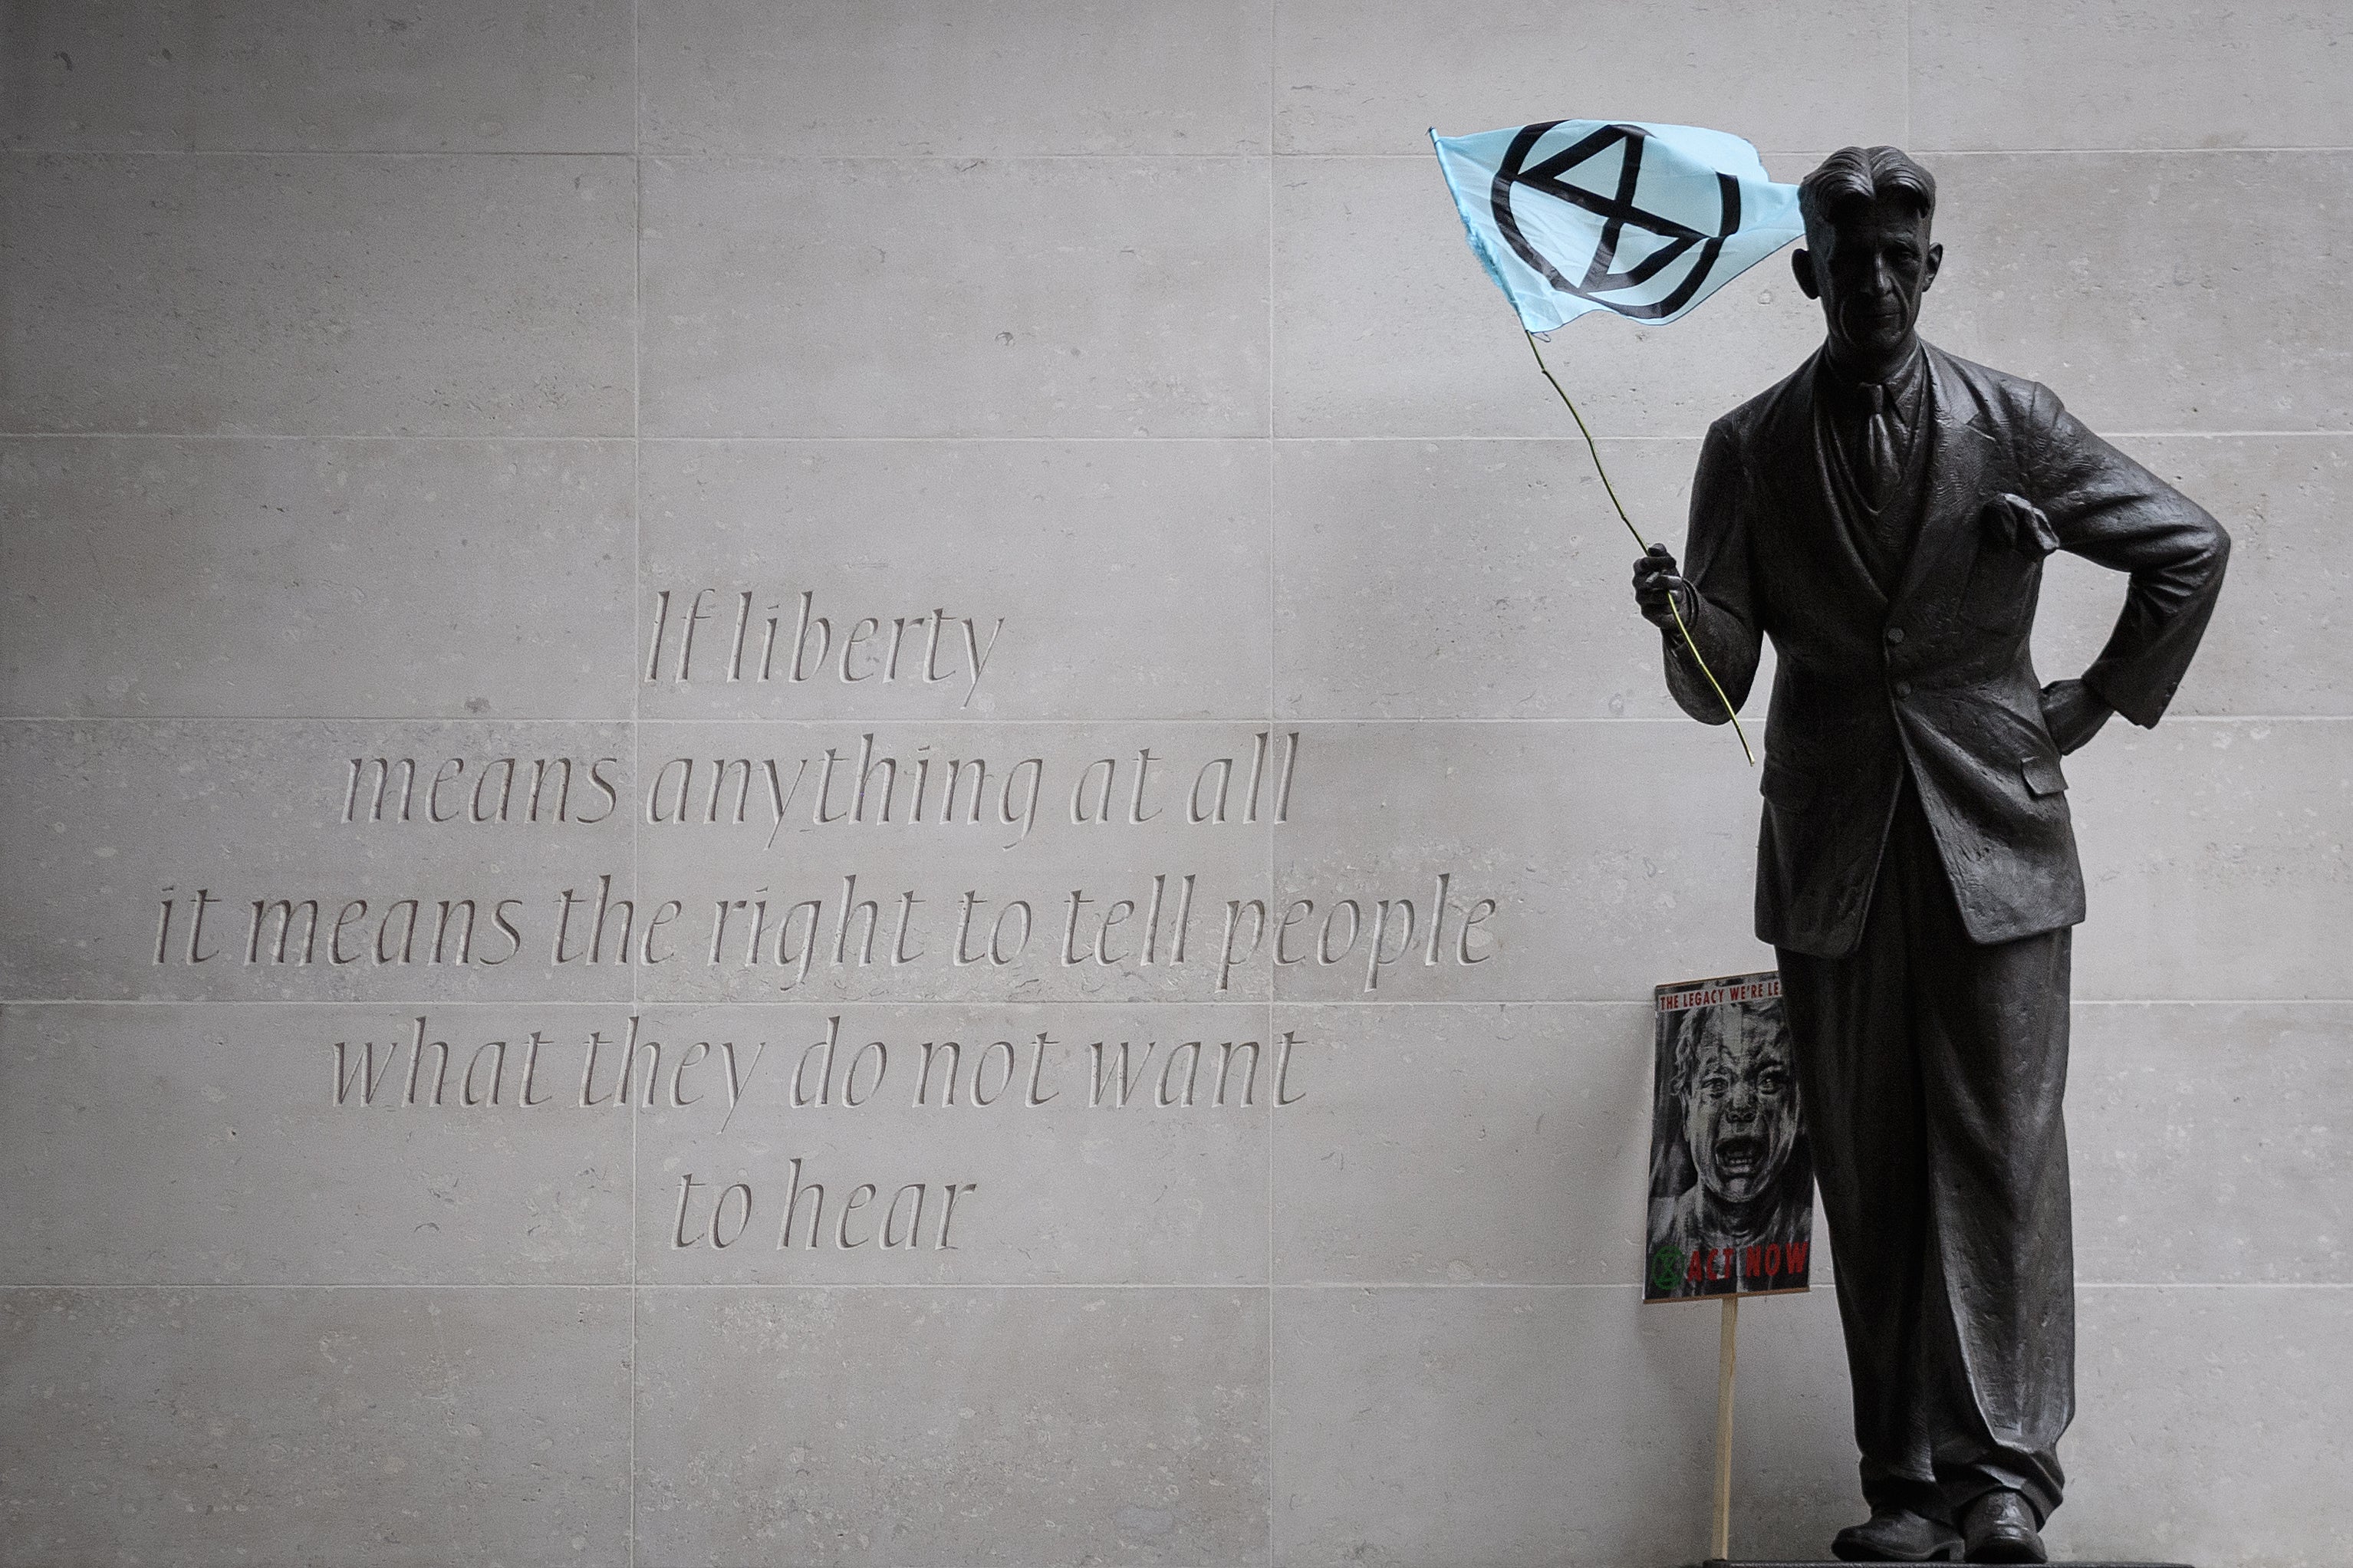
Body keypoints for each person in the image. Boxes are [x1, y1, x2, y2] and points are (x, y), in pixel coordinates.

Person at [1629, 146, 2228, 1564]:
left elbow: (2187, 548)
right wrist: (1677, 619)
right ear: (1807, 276)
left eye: (1902, 260)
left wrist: (2086, 702)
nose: (1879, 287)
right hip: (1833, 850)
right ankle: (1899, 1481)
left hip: (1996, 844)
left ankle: (2005, 1474)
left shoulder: (2011, 423)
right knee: (1867, 1159)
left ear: (1932, 266)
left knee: (2002, 1154)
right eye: (1852, 265)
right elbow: (1718, 684)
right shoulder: (1746, 447)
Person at [1649, 999, 1812, 1296]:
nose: (1740, 1106)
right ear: (1686, 1108)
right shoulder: (1654, 1234)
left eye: (1769, 1080)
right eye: (1716, 1083)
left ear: (1797, 1108)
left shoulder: (1816, 1241)